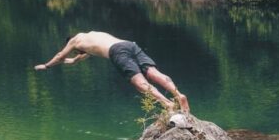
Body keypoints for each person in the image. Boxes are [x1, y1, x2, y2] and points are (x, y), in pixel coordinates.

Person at [34, 31, 190, 113]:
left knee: (139, 83)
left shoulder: (74, 41)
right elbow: (81, 56)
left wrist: (47, 66)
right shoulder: (92, 35)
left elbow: (61, 55)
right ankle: (178, 95)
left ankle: (168, 104)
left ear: (73, 44)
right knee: (153, 72)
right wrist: (74, 61)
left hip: (117, 52)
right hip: (129, 45)